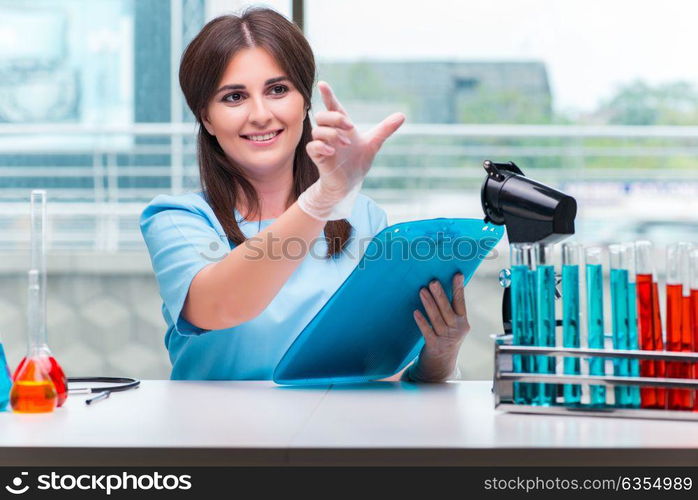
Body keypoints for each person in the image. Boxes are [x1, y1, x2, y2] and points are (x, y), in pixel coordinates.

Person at [139, 7, 469, 382]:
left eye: (278, 90)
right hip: (219, 437)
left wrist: (438, 359)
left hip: (336, 435)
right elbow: (219, 306)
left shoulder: (363, 218)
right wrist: (324, 196)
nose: (261, 114)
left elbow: (379, 373)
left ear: (304, 102)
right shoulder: (176, 219)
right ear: (207, 117)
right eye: (234, 97)